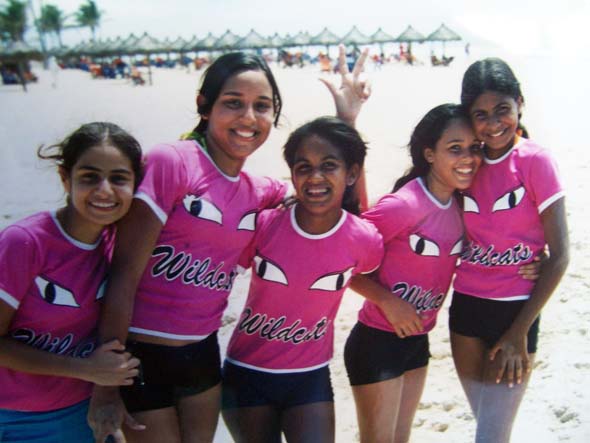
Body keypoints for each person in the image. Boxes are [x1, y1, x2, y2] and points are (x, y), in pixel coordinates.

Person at [89, 47, 372, 443]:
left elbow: (336, 207)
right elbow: (122, 274)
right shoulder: (172, 162)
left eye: (262, 106)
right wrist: (105, 383)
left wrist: (346, 123)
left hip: (203, 355)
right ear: (204, 105)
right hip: (140, 354)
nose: (249, 118)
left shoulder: (259, 192)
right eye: (233, 103)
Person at [221, 117, 386, 443]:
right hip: (246, 374)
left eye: (329, 166)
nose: (315, 177)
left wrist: (388, 301)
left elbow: (357, 273)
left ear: (352, 174)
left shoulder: (365, 240)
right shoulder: (264, 225)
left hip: (309, 377)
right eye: (303, 167)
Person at [343, 104, 483, 443]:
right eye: (455, 148)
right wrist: (387, 301)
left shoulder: (461, 205)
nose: (468, 158)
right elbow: (340, 259)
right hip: (377, 341)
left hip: (418, 340)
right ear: (429, 154)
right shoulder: (405, 205)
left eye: (474, 147)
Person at [450, 58, 569, 443]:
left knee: (491, 434)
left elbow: (561, 255)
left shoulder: (535, 161)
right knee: (487, 428)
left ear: (520, 103)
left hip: (516, 311)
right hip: (465, 310)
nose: (493, 123)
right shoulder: (464, 162)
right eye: (480, 114)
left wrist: (519, 331)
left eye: (502, 109)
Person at [0, 122, 142, 443]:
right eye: (90, 177)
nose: (104, 190)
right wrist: (84, 369)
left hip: (76, 413)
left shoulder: (120, 249)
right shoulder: (25, 243)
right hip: (11, 415)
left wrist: (106, 390)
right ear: (66, 178)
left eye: (119, 178)